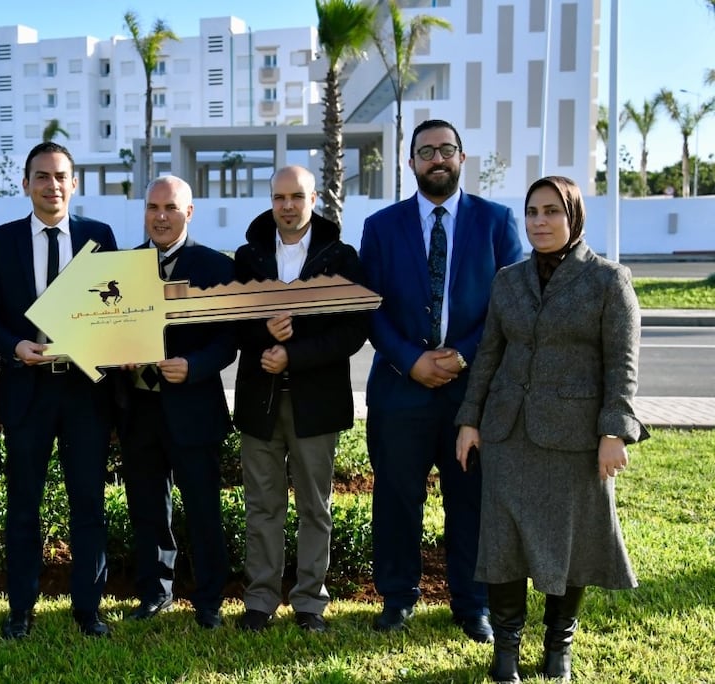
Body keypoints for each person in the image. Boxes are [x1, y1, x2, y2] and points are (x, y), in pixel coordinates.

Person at [455, 176, 646, 683]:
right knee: (503, 545)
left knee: (570, 542)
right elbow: (489, 356)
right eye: (532, 212)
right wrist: (470, 421)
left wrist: (615, 432)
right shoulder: (508, 280)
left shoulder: (609, 280)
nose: (540, 222)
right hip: (507, 434)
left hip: (574, 437)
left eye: (551, 211)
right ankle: (506, 652)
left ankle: (559, 644)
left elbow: (621, 366)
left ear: (574, 216)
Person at [359, 119, 522, 642]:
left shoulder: (496, 221)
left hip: (471, 395)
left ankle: (471, 604)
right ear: (410, 162)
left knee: (469, 500)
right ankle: (398, 597)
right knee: (396, 498)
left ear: (461, 157)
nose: (437, 159)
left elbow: (510, 304)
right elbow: (371, 308)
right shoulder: (381, 227)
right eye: (425, 151)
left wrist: (464, 356)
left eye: (445, 150)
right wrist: (412, 360)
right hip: (400, 388)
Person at [0, 141, 119, 638]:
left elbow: (114, 312)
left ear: (73, 183)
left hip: (84, 394)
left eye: (60, 176)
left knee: (88, 505)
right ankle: (20, 611)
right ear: (26, 184)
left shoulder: (100, 237)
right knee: (23, 509)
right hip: (26, 389)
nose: (51, 185)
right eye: (41, 176)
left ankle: (88, 610)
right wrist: (14, 345)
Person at [232, 165, 368, 633]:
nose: (287, 206)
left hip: (317, 401)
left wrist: (294, 354)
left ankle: (310, 603)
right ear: (270, 200)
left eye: (296, 196)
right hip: (259, 400)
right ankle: (260, 601)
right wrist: (262, 332)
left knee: (316, 507)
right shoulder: (248, 257)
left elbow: (354, 330)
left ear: (314, 199)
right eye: (279, 197)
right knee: (262, 506)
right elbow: (232, 322)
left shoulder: (340, 257)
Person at [117, 176, 235, 630]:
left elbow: (229, 338)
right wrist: (114, 355)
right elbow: (108, 328)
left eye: (170, 207)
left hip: (192, 408)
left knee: (203, 509)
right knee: (147, 509)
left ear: (189, 213)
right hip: (138, 409)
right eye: (152, 207)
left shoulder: (213, 266)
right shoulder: (123, 267)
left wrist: (195, 365)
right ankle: (154, 593)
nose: (160, 216)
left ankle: (209, 601)